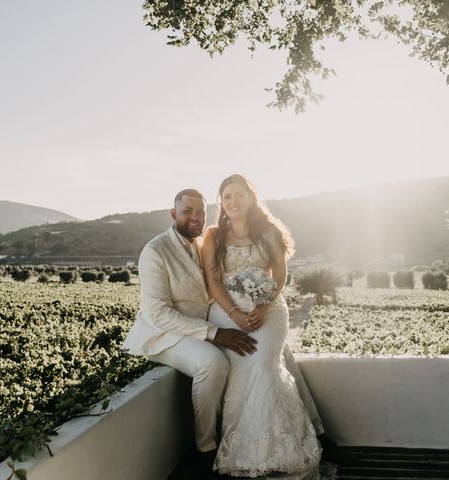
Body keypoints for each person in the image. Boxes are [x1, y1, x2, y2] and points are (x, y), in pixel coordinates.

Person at [122, 187, 351, 477]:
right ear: (173, 214)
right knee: (213, 363)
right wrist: (216, 332)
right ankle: (205, 448)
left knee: (281, 354)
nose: (195, 217)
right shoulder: (156, 251)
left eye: (200, 211)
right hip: (166, 332)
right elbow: (159, 314)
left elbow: (228, 278)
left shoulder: (206, 239)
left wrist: (255, 303)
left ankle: (318, 434)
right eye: (187, 211)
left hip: (213, 319)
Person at [201, 174, 321, 478]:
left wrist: (265, 305)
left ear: (251, 198)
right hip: (227, 311)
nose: (233, 201)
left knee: (264, 363)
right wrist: (234, 312)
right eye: (227, 196)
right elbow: (213, 281)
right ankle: (242, 448)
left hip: (268, 310)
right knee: (242, 365)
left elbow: (280, 276)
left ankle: (280, 447)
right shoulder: (213, 236)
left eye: (239, 195)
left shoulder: (268, 232)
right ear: (221, 201)